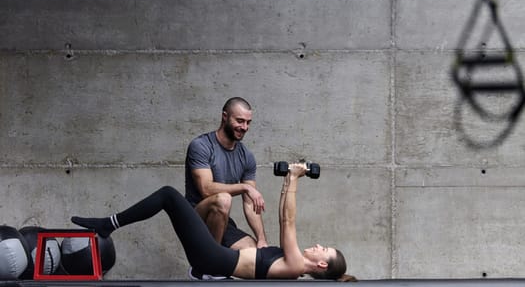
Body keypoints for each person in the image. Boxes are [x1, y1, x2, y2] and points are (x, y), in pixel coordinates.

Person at [71, 163, 356, 281]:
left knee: (169, 196)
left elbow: (287, 221)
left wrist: (294, 179)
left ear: (321, 265)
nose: (319, 245)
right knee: (173, 198)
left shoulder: (295, 266)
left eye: (325, 249)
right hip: (218, 256)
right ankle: (110, 223)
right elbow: (285, 217)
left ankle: (109, 223)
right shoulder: (292, 264)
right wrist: (287, 179)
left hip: (212, 259)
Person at [184, 97, 267, 255]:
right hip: (195, 217)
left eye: (248, 122)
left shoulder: (246, 156)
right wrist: (244, 187)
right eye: (240, 121)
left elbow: (250, 204)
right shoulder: (201, 146)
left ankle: (211, 267)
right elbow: (206, 189)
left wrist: (261, 239)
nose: (244, 127)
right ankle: (209, 267)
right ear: (225, 116)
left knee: (254, 253)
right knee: (223, 199)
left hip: (222, 220)